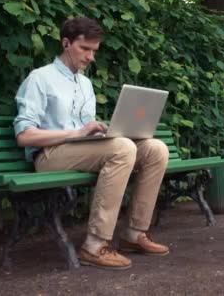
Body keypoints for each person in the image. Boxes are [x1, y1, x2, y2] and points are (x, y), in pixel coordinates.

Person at [13, 17, 170, 270]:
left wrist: (105, 131)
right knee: (122, 149)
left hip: (79, 151)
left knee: (155, 149)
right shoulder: (40, 78)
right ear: (66, 43)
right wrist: (76, 133)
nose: (90, 57)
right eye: (84, 49)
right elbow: (24, 136)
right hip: (49, 156)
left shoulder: (85, 84)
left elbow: (85, 129)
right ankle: (95, 246)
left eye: (93, 51)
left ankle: (134, 234)